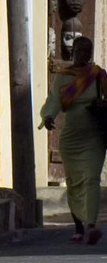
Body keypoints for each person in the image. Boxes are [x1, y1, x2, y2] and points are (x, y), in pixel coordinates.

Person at [40, 33, 107, 243]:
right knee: (74, 183)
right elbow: (53, 101)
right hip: (71, 139)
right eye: (79, 51)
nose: (83, 55)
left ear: (91, 53)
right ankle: (78, 227)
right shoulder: (63, 77)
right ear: (73, 52)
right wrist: (48, 116)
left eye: (87, 52)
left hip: (94, 136)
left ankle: (91, 225)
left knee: (91, 179)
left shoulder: (99, 76)